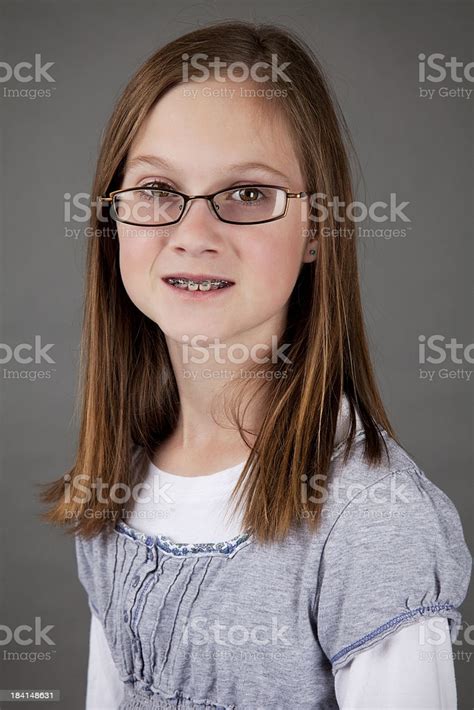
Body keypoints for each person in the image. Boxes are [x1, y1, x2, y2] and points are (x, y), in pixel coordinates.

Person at [41, 20, 472, 709]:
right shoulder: (115, 484)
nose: (193, 235)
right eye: (156, 189)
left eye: (248, 194)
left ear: (317, 230)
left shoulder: (373, 523)